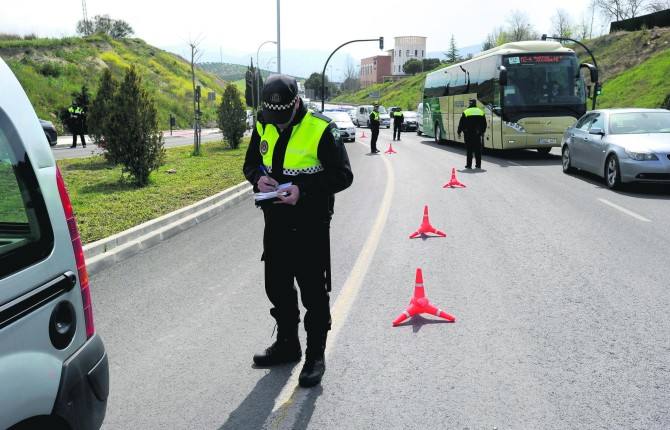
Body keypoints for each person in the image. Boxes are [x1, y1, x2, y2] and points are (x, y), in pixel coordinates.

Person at [243, 74, 353, 388]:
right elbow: (251, 162)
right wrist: (257, 179)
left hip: (311, 223)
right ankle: (288, 344)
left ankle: (315, 356)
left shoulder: (321, 128)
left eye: (283, 118)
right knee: (277, 286)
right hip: (275, 220)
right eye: (272, 118)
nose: (277, 124)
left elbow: (343, 176)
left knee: (313, 293)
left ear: (296, 104)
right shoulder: (264, 122)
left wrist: (302, 190)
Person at [457, 99, 487, 169]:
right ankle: (478, 165)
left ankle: (469, 165)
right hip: (477, 134)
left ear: (469, 104)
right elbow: (484, 124)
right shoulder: (481, 112)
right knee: (478, 150)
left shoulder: (466, 112)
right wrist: (481, 132)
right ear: (475, 104)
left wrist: (459, 132)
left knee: (469, 150)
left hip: (468, 134)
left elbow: (461, 123)